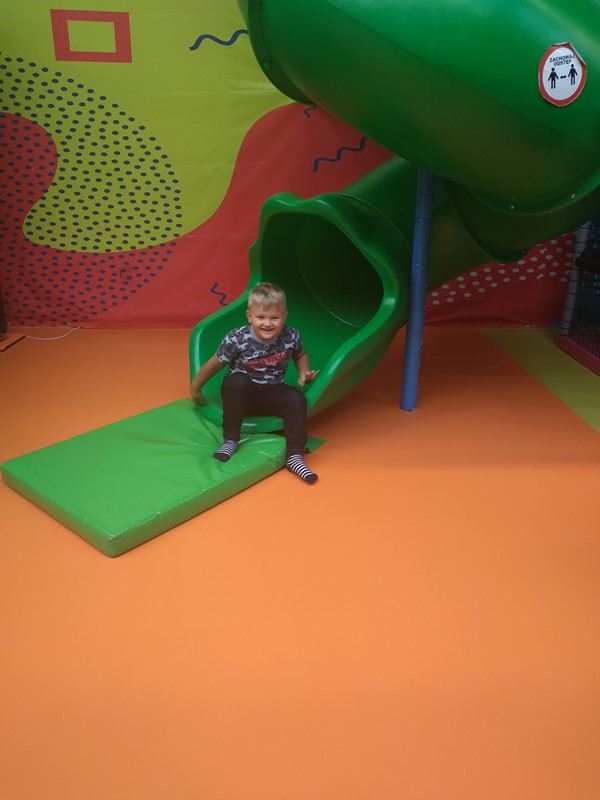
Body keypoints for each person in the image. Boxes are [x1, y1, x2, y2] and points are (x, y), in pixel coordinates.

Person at [191, 282, 320, 483]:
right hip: (240, 395)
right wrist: (196, 387)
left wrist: (304, 372)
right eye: (260, 317)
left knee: (296, 398)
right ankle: (230, 440)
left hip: (271, 393)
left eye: (274, 318)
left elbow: (300, 354)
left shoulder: (291, 336)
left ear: (284, 316)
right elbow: (214, 364)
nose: (267, 323)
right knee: (237, 381)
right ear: (249, 316)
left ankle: (294, 457)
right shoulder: (237, 338)